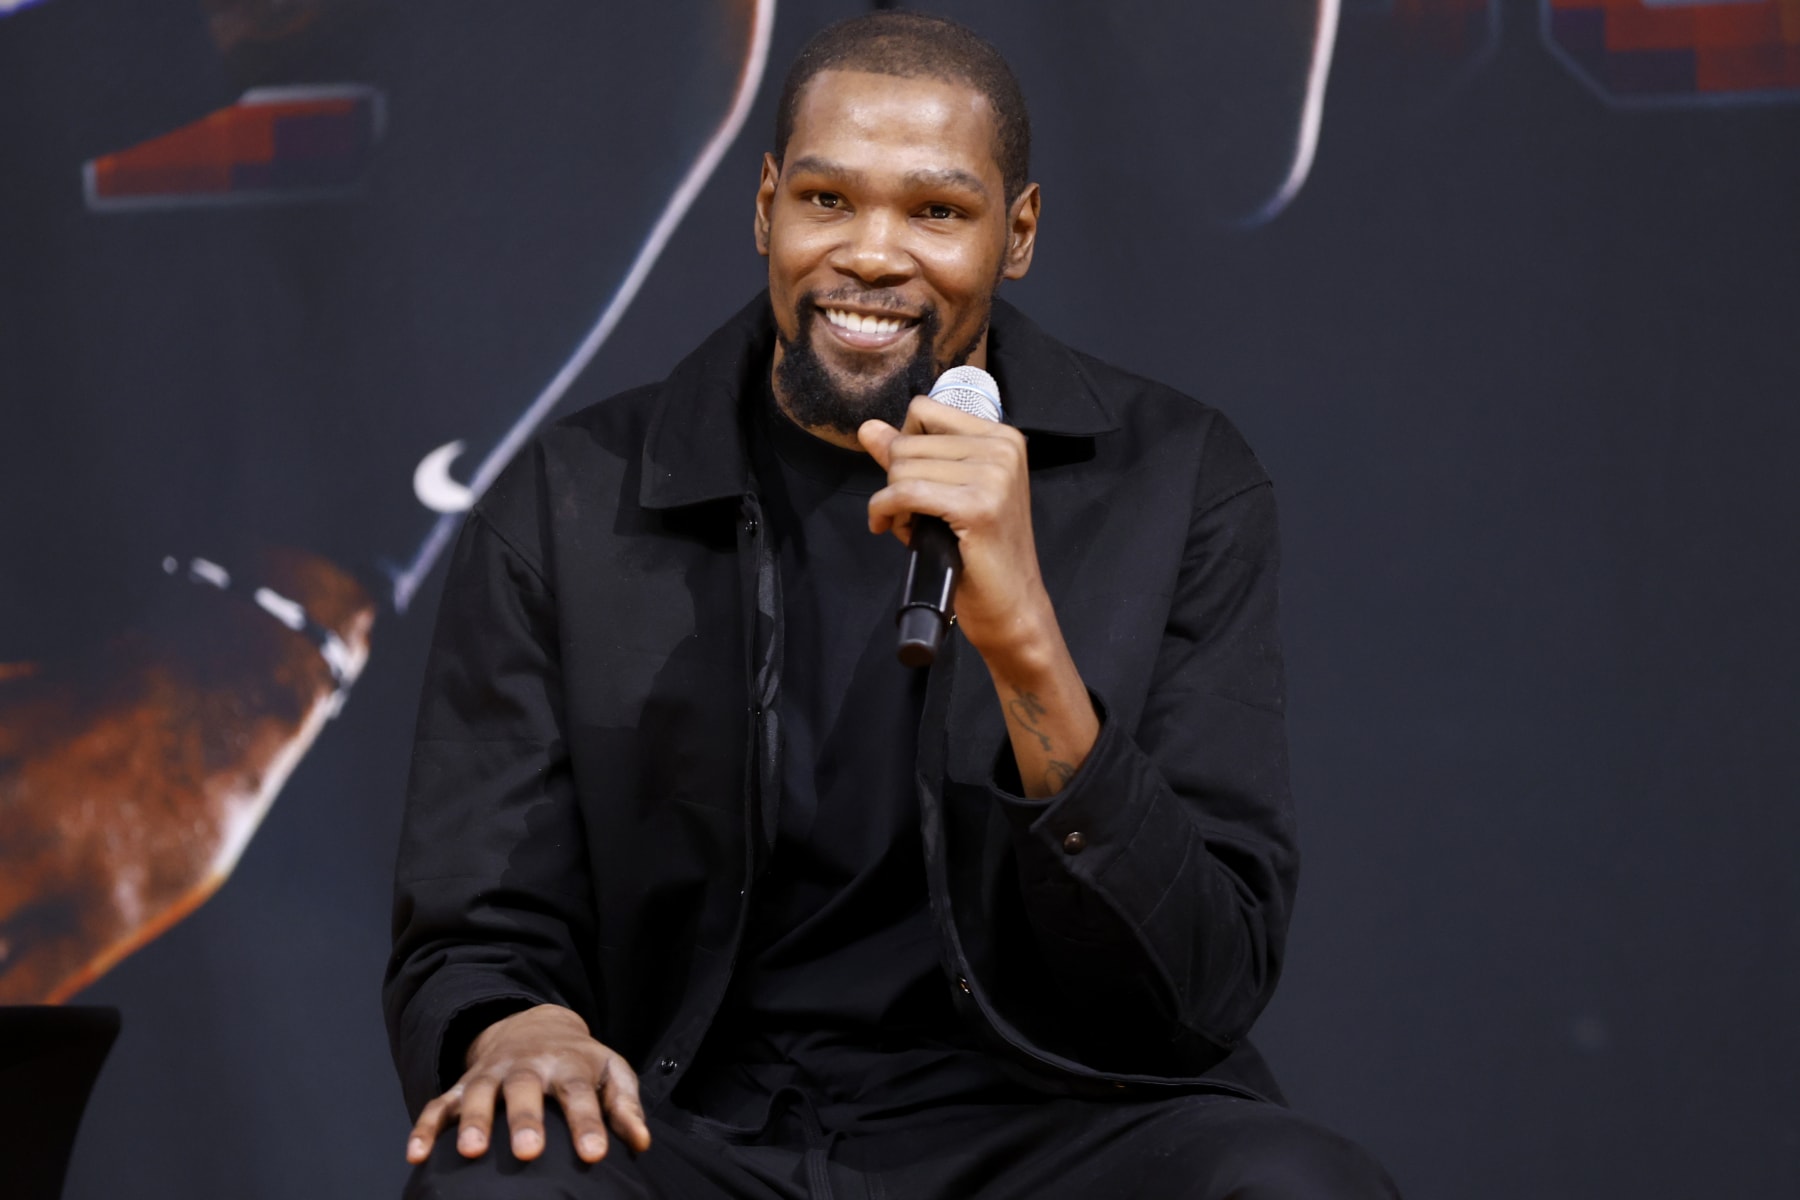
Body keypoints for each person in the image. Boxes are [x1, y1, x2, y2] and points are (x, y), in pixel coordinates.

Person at [384, 12, 1398, 1198]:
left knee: (1287, 1186)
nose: (871, 254)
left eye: (935, 212)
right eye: (827, 201)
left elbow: (1205, 983)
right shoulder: (573, 496)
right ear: (763, 206)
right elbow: (476, 923)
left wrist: (1026, 650)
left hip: (1046, 1118)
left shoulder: (1174, 481)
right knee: (500, 1177)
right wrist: (520, 1031)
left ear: (1015, 234)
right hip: (702, 1123)